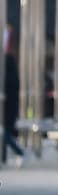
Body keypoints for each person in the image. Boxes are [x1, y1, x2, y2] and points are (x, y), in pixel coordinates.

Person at [2, 35, 21, 165]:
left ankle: (20, 152)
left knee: (5, 135)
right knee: (4, 135)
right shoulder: (13, 77)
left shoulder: (8, 79)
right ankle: (3, 157)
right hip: (10, 108)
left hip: (8, 109)